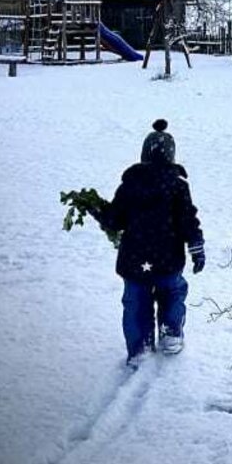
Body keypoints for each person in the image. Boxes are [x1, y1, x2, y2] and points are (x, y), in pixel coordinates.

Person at [96, 119, 205, 366]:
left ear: (144, 154)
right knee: (172, 294)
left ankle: (139, 348)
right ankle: (170, 334)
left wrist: (99, 211)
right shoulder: (177, 186)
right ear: (171, 155)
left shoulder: (130, 185)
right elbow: (188, 219)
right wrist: (196, 248)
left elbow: (114, 220)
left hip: (135, 260)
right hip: (168, 259)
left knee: (136, 303)